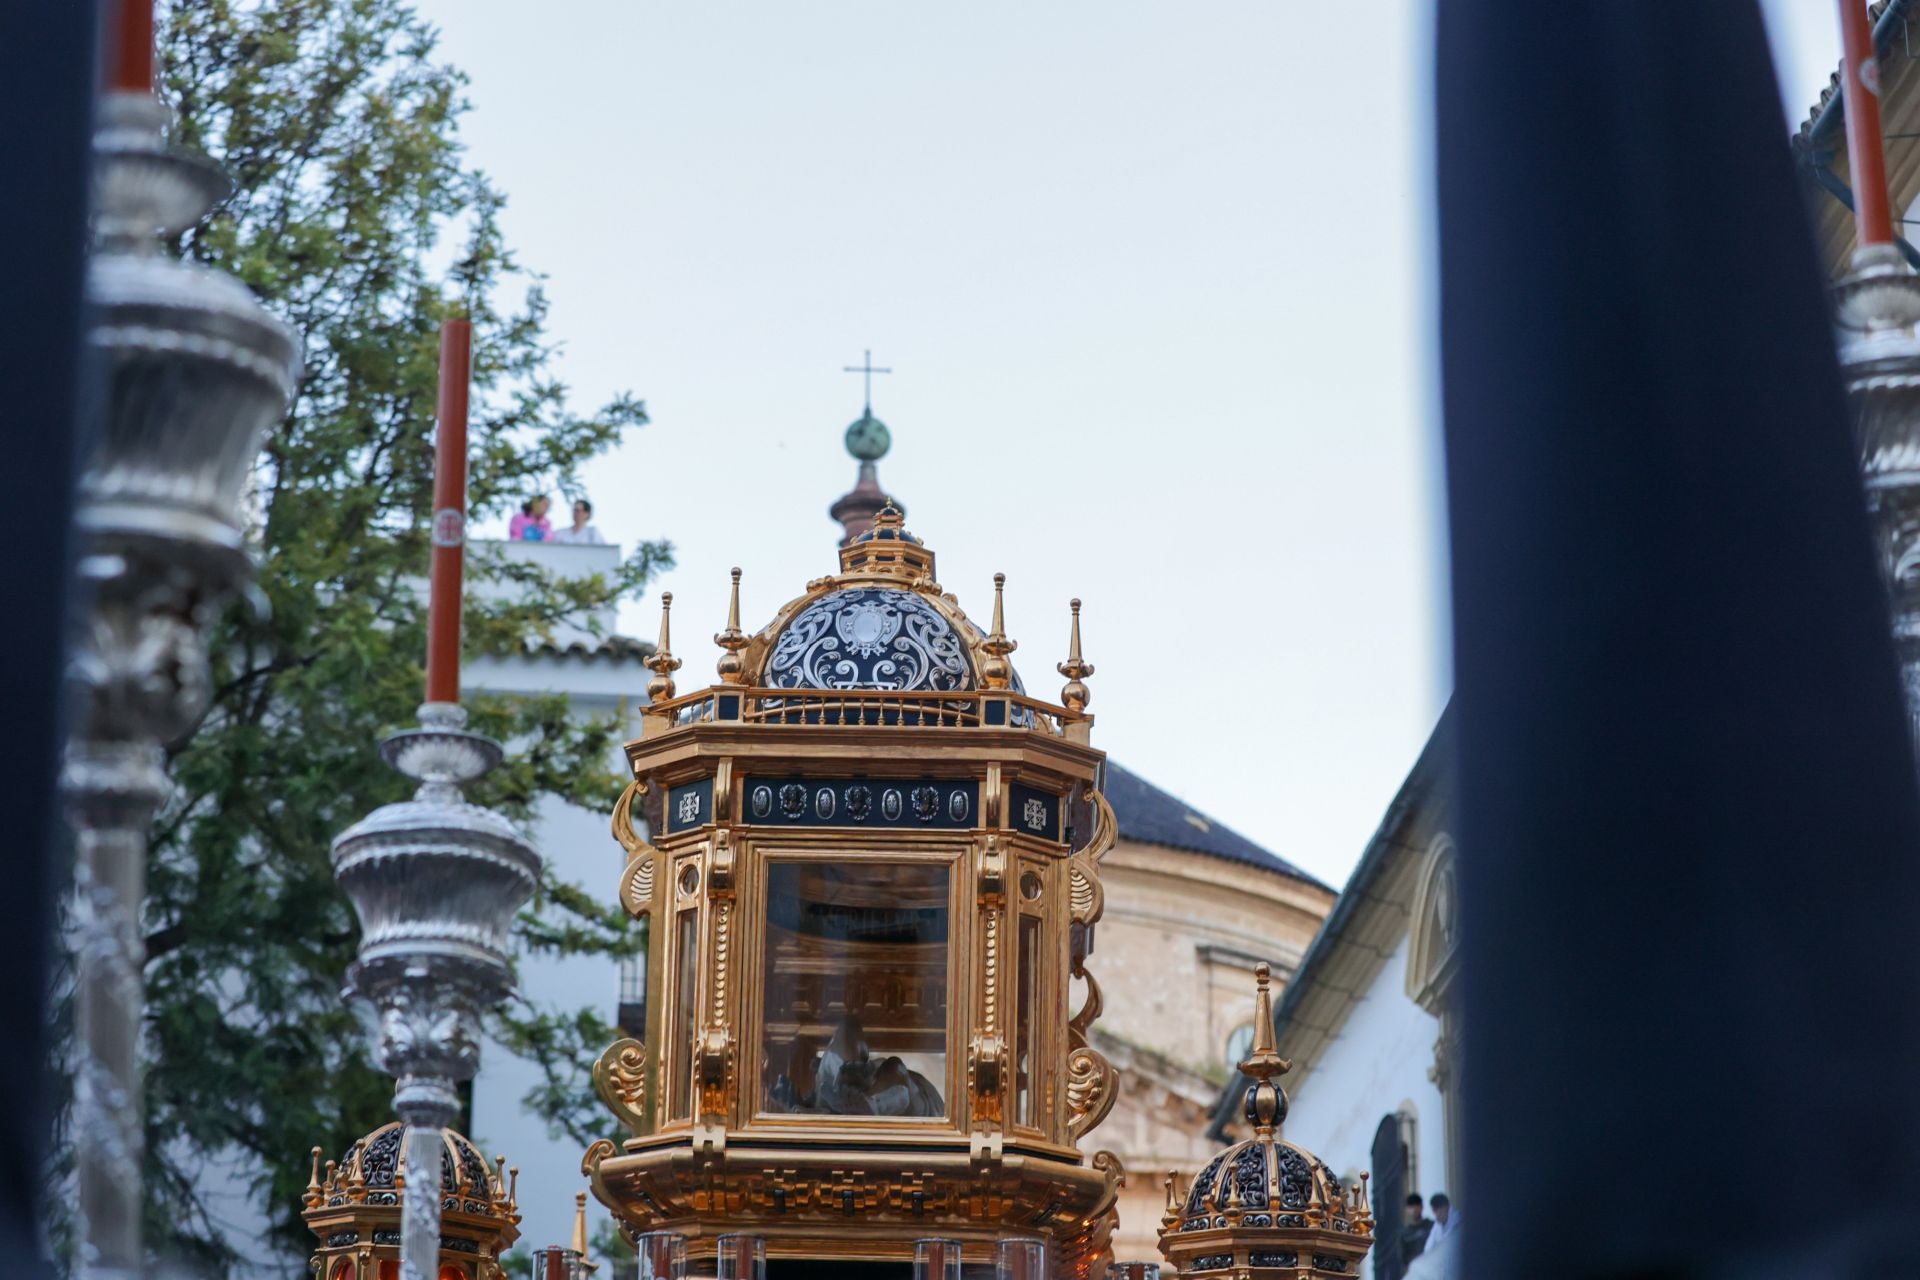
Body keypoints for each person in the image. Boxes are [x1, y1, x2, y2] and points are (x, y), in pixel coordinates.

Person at [1401, 1192, 1433, 1264]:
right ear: (1407, 1209)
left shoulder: (1432, 1226)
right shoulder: (1404, 1234)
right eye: (1411, 1206)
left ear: (1421, 1207)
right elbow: (1404, 1258)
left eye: (1417, 1205)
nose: (1414, 1210)